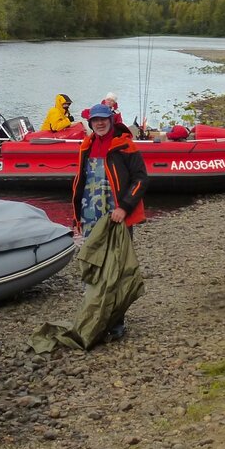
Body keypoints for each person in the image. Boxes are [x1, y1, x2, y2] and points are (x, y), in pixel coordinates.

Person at [70, 102, 149, 341]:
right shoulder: (87, 145)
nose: (100, 123)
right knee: (94, 266)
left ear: (111, 120)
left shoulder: (125, 146)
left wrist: (124, 208)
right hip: (90, 215)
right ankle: (95, 319)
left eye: (103, 119)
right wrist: (76, 218)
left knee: (116, 268)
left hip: (116, 217)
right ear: (91, 123)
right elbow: (81, 183)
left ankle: (116, 324)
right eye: (95, 120)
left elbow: (141, 179)